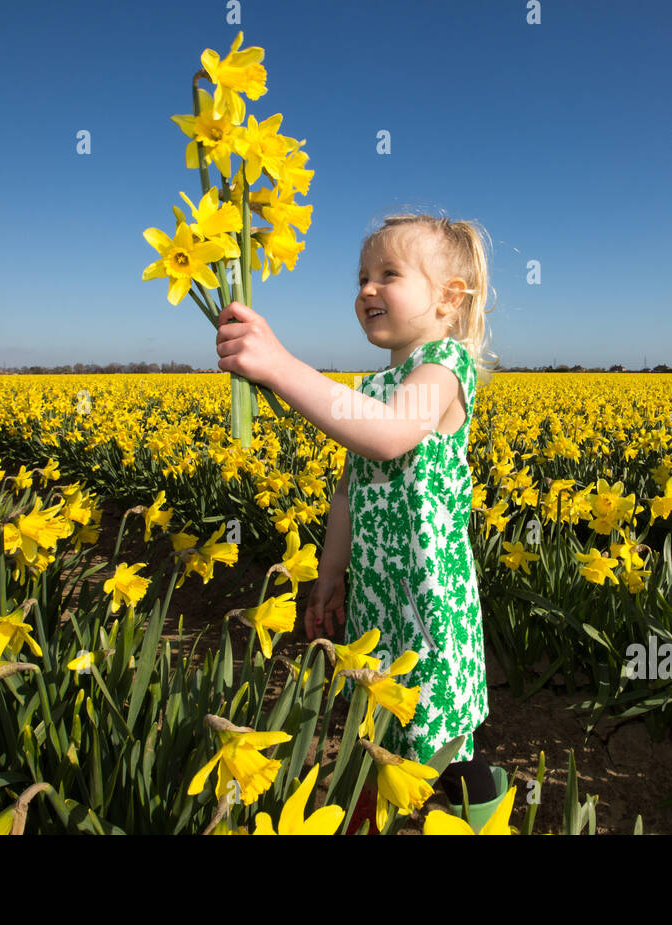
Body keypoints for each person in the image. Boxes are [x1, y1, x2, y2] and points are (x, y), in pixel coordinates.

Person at [214, 212, 506, 830]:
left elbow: (385, 438)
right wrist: (330, 573)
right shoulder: (379, 382)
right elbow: (350, 490)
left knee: (437, 732)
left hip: (429, 600)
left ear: (450, 299)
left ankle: (477, 809)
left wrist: (278, 365)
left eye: (389, 275)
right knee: (383, 714)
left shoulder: (443, 369)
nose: (367, 290)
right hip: (381, 591)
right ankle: (397, 799)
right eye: (362, 277)